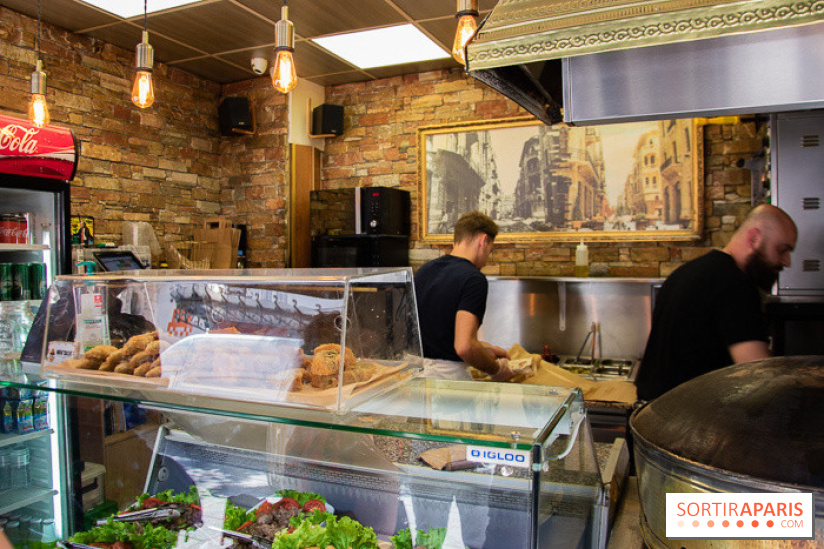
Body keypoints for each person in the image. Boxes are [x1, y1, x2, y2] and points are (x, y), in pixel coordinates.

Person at [635, 203, 797, 401]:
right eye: (782, 250)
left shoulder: (689, 272)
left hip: (651, 417)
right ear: (754, 239)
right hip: (683, 424)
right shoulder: (735, 284)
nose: (787, 261)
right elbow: (759, 377)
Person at [414, 211, 515, 381]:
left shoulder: (426, 270)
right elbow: (464, 347)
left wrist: (484, 349)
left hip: (414, 374)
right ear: (483, 241)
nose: (487, 260)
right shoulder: (473, 279)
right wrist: (497, 370)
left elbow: (437, 333)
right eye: (490, 251)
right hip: (447, 379)